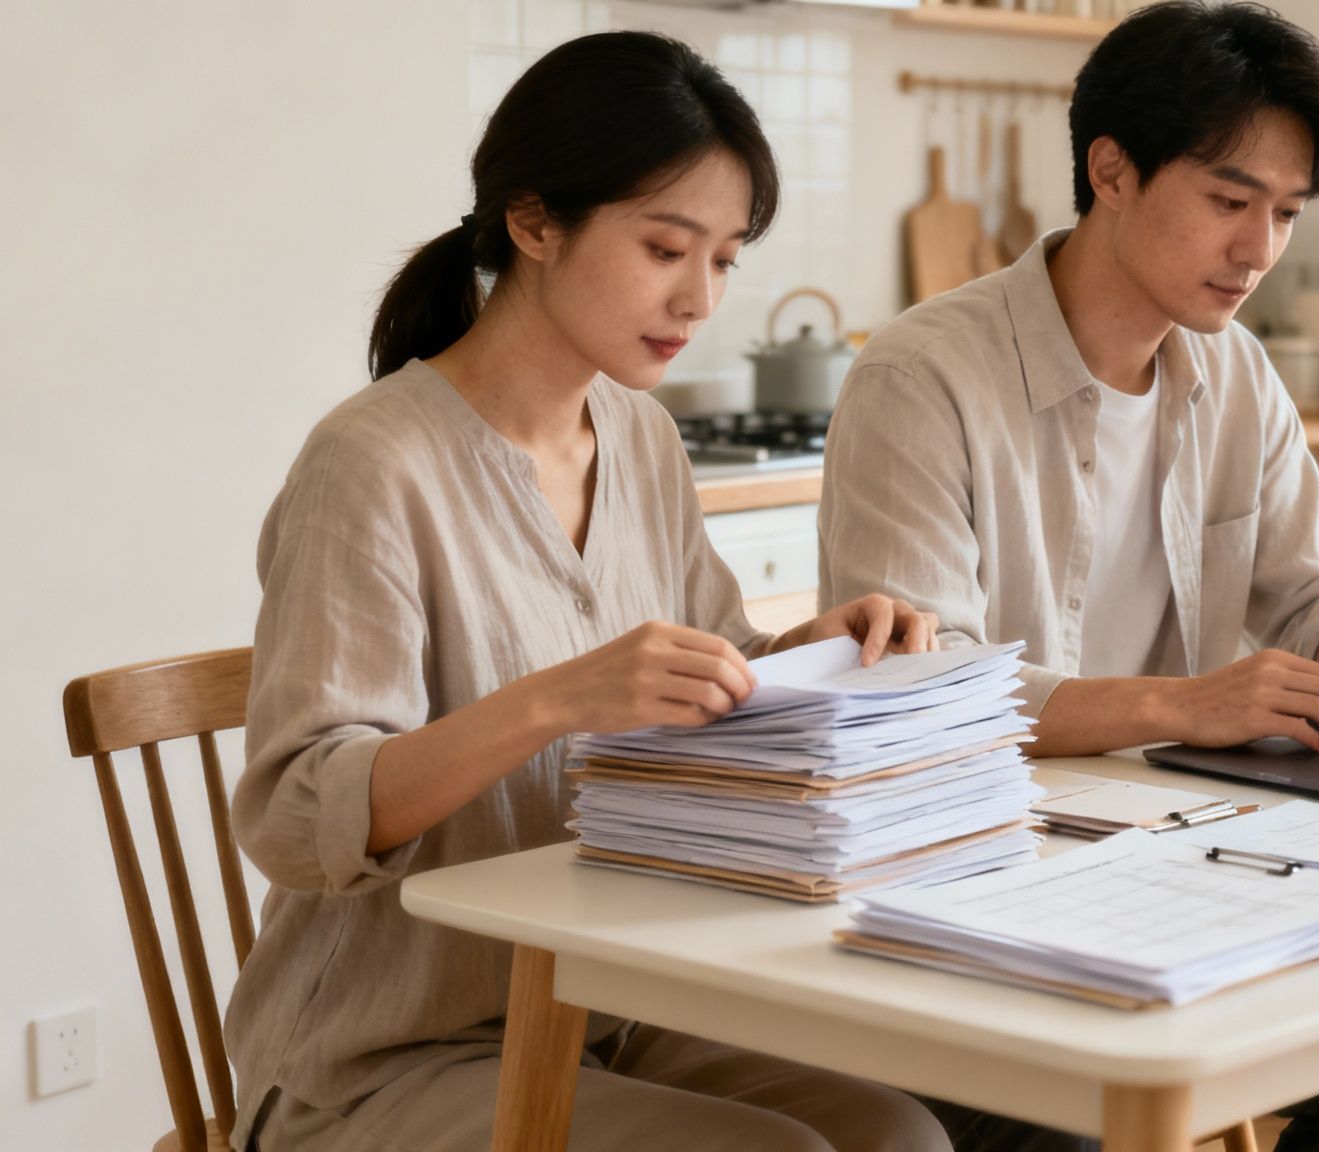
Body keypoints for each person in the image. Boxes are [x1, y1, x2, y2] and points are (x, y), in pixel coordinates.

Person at [226, 31, 950, 1152]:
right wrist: (556, 699)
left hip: (601, 1008)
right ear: (533, 224)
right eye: (667, 247)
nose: (699, 297)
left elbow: (712, 666)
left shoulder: (639, 435)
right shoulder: (373, 464)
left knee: (900, 1133)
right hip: (373, 1062)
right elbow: (292, 810)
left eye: (724, 258)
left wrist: (814, 645)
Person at [818, 3, 1319, 1149]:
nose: (1259, 250)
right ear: (1111, 172)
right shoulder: (923, 376)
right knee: (1064, 1117)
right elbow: (921, 705)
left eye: (1284, 213)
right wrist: (1185, 706)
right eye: (1229, 202)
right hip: (969, 888)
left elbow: (1317, 587)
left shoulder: (1231, 374)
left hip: (1166, 860)